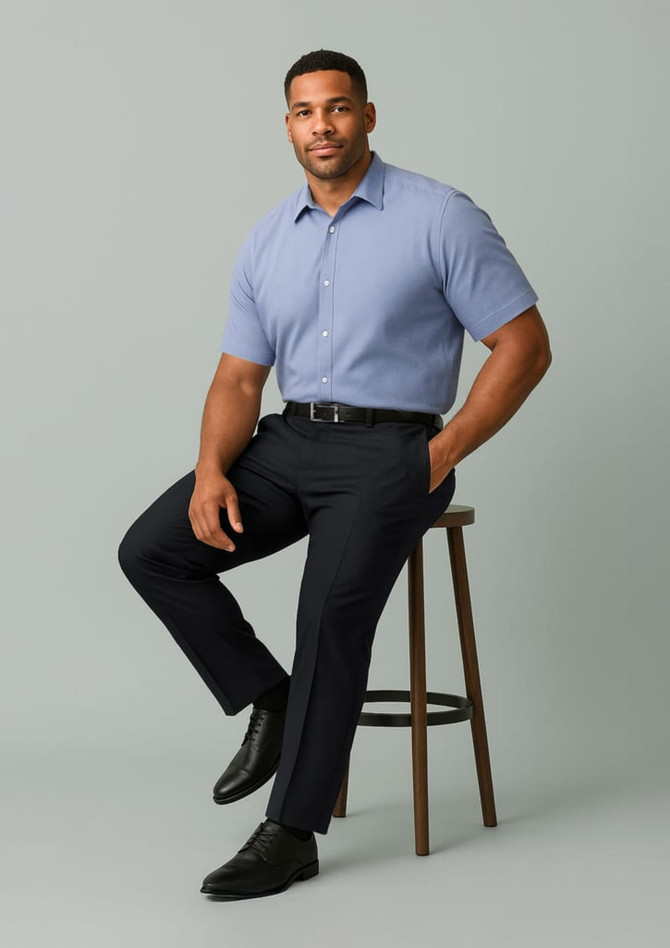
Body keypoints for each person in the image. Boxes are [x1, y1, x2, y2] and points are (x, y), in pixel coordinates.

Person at [117, 48, 551, 901]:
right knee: (153, 551)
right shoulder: (267, 238)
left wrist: (441, 454)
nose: (323, 125)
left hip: (393, 451)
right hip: (288, 442)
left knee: (328, 618)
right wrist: (210, 470)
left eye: (339, 107)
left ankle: (291, 832)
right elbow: (238, 378)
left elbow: (525, 346)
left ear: (368, 116)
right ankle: (271, 697)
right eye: (305, 111)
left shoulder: (440, 216)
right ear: (288, 127)